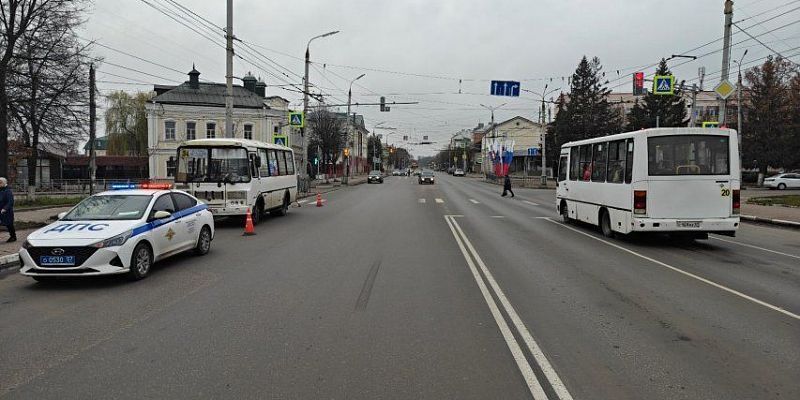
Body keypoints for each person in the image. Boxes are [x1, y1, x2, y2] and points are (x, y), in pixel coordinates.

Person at [0, 177, 16, 243]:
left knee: (9, 224)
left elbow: (10, 201)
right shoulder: (1, 189)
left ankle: (13, 236)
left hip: (6, 212)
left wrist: (5, 209)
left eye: (0, 183)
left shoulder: (8, 191)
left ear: (3, 183)